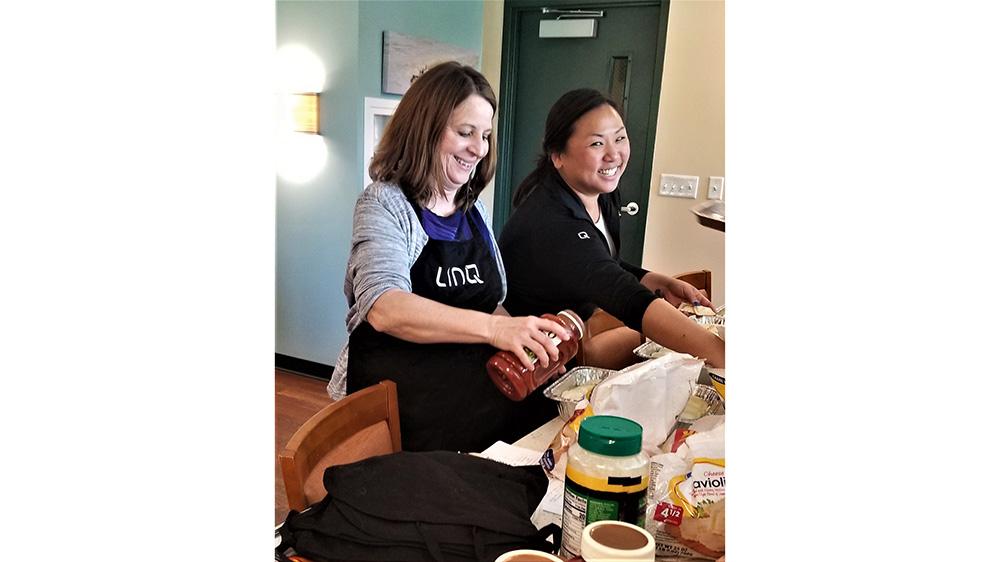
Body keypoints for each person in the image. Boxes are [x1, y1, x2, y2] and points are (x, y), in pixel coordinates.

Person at [327, 61, 570, 453]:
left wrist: (528, 344)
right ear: (425, 129)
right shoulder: (385, 203)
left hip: (466, 395)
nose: (479, 148)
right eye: (465, 132)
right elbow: (384, 307)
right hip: (400, 408)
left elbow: (489, 305)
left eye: (486, 135)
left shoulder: (475, 212)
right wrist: (496, 332)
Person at [498, 88, 724, 369]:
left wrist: (658, 281)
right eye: (596, 144)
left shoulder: (602, 194)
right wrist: (724, 357)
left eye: (619, 138)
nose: (613, 154)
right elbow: (624, 295)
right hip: (528, 361)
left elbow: (603, 262)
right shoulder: (551, 223)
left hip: (567, 337)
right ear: (557, 155)